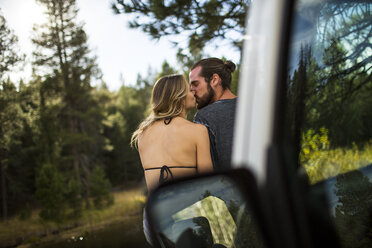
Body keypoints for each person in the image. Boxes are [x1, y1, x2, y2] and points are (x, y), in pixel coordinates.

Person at [130, 74, 213, 245]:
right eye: (189, 90)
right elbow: (208, 182)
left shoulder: (142, 135)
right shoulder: (198, 131)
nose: (193, 94)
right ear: (178, 96)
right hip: (187, 213)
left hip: (153, 218)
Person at [189, 58, 237, 171]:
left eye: (195, 84)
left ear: (214, 80)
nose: (192, 91)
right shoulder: (252, 107)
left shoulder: (204, 116)